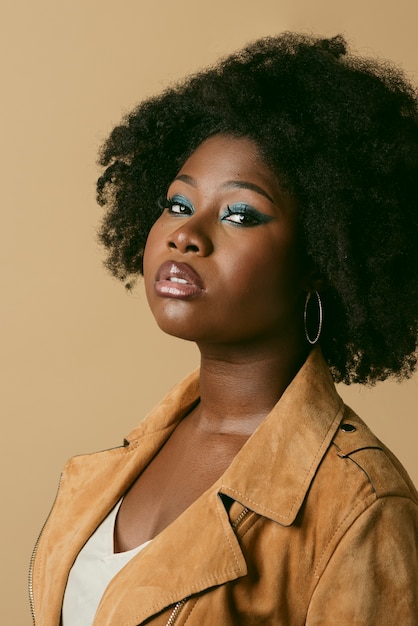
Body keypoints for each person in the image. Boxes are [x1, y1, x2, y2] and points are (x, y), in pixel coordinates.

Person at [29, 33, 418, 625]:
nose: (185, 234)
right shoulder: (131, 456)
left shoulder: (360, 507)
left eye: (240, 214)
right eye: (179, 205)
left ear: (324, 258)